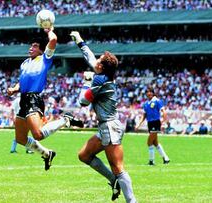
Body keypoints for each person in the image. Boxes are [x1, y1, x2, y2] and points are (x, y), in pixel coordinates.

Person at [70, 31, 136, 202]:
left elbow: (83, 102)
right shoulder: (104, 75)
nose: (95, 62)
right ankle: (114, 181)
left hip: (110, 127)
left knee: (118, 167)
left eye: (99, 61)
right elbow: (91, 59)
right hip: (106, 126)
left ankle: (132, 200)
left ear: (101, 68)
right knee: (84, 155)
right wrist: (80, 42)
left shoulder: (100, 81)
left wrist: (85, 82)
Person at [7, 26, 83, 171]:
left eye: (34, 46)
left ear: (41, 50)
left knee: (38, 134)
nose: (31, 48)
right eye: (31, 46)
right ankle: (47, 154)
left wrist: (49, 30)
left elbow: (53, 39)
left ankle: (65, 120)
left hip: (34, 99)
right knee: (20, 139)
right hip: (23, 99)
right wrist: (14, 89)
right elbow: (22, 81)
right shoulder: (25, 63)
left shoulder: (44, 59)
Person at [135, 88, 170, 165]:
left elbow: (163, 111)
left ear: (153, 93)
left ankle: (151, 161)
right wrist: (138, 124)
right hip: (150, 123)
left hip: (156, 122)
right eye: (147, 92)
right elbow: (144, 115)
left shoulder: (157, 101)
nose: (149, 93)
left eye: (150, 92)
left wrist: (163, 122)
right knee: (155, 142)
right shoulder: (146, 104)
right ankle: (166, 158)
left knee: (149, 142)